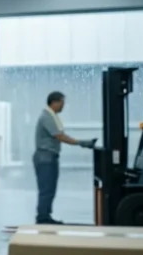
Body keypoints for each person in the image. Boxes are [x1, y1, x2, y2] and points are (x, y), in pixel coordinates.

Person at [33, 91, 96, 224]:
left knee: (49, 188)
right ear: (54, 102)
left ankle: (45, 216)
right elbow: (60, 136)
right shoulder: (47, 117)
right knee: (47, 189)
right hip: (45, 158)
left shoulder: (51, 115)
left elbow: (60, 134)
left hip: (48, 157)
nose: (63, 106)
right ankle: (43, 218)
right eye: (62, 103)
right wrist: (82, 143)